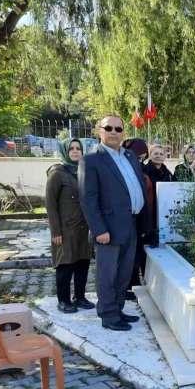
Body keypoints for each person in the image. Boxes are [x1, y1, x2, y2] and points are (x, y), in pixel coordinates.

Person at [79, 116, 147, 331]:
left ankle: (117, 309)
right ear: (99, 131)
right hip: (108, 228)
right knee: (107, 275)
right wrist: (99, 229)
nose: (114, 132)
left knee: (124, 273)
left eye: (118, 128)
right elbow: (88, 198)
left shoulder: (129, 156)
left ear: (123, 132)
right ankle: (108, 315)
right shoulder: (91, 160)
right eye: (108, 128)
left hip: (131, 224)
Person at [46, 139, 94, 314]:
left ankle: (79, 297)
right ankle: (63, 300)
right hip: (65, 229)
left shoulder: (85, 171)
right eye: (71, 148)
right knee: (65, 265)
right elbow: (50, 204)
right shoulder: (57, 173)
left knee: (83, 263)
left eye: (78, 148)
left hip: (84, 228)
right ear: (65, 151)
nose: (75, 151)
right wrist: (55, 231)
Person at [122, 138, 156, 300]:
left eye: (143, 157)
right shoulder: (124, 170)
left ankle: (135, 285)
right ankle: (127, 287)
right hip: (128, 219)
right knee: (129, 256)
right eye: (138, 156)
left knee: (138, 255)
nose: (140, 160)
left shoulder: (143, 171)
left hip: (143, 218)